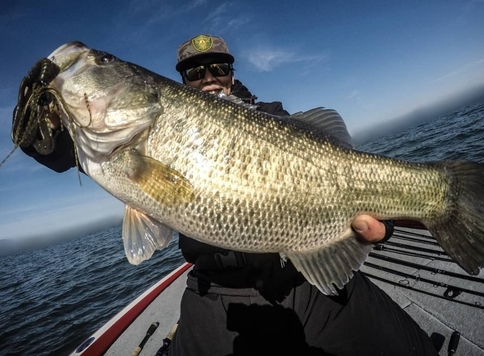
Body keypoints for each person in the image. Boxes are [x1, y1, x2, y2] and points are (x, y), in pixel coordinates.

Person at [14, 35, 438, 355]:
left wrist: (376, 228)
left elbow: (339, 179)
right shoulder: (116, 139)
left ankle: (439, 196)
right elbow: (56, 151)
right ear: (181, 80)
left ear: (233, 73)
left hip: (301, 279)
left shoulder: (274, 118)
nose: (209, 78)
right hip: (214, 292)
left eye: (219, 67)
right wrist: (37, 123)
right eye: (195, 73)